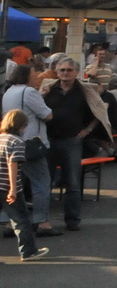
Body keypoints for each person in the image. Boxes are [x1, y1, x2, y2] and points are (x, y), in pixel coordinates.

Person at [43, 55, 111, 232]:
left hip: (72, 141)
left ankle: (73, 220)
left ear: (76, 72)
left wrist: (88, 129)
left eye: (69, 70)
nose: (65, 73)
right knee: (45, 183)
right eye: (62, 70)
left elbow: (100, 110)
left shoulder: (84, 90)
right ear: (57, 72)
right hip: (49, 141)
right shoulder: (48, 89)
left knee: (72, 183)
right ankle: (42, 220)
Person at [2, 64, 56, 238]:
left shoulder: (9, 92)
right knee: (41, 183)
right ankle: (42, 222)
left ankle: (10, 221)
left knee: (15, 184)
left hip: (12, 142)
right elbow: (47, 115)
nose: (37, 76)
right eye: (34, 74)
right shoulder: (29, 92)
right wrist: (42, 98)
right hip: (31, 143)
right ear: (26, 76)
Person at [1, 109, 48, 260]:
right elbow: (13, 164)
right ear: (21, 125)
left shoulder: (1, 138)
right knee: (21, 219)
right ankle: (28, 251)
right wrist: (13, 189)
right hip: (8, 186)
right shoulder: (17, 142)